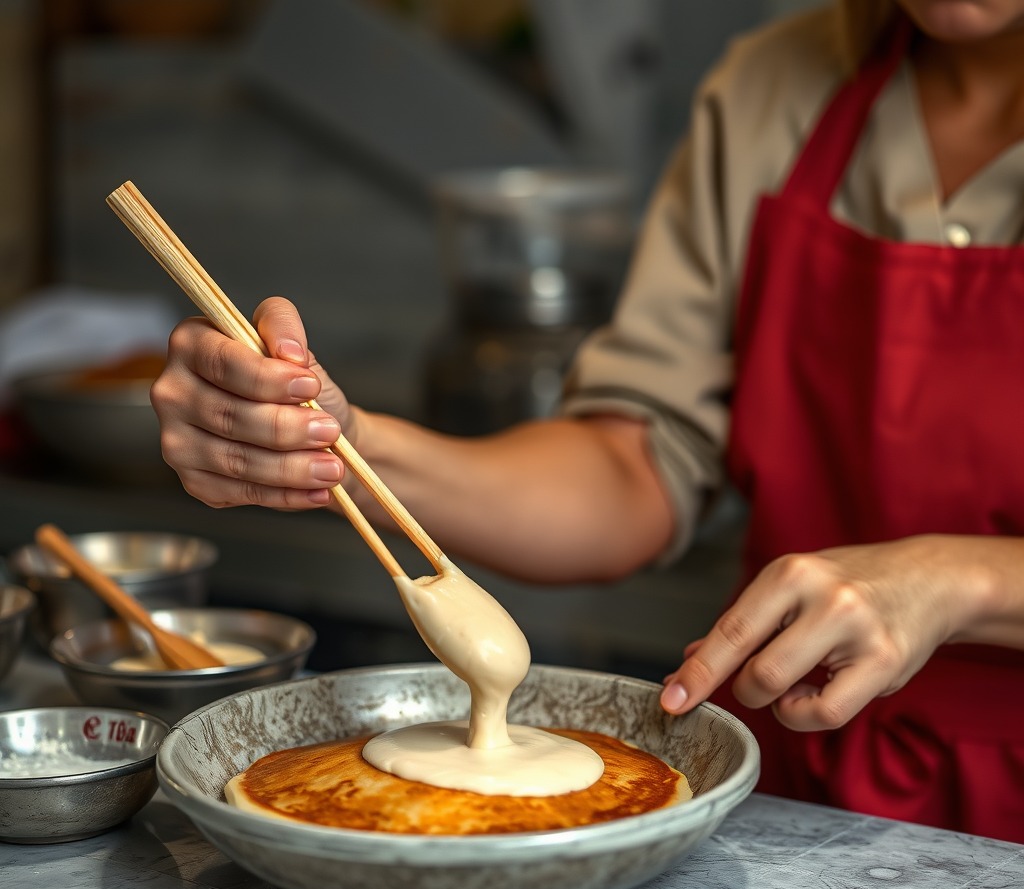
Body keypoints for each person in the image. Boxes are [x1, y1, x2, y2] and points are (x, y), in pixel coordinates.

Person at [150, 0, 1024, 843]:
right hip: (792, 795)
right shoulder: (776, 89)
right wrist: (340, 446)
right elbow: (635, 466)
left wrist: (957, 580)